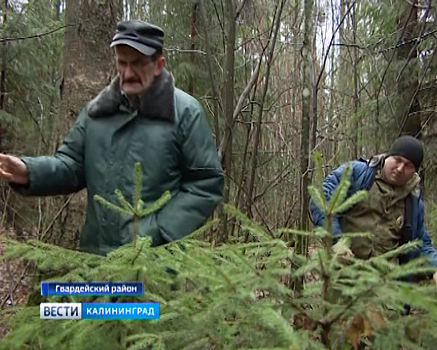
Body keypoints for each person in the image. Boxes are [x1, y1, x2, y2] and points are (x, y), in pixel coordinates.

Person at [0, 20, 224, 256]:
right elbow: (72, 166)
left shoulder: (185, 113)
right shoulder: (97, 112)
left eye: (137, 64)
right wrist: (28, 172)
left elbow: (206, 183)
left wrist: (157, 232)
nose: (127, 73)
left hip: (155, 267)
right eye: (122, 63)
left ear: (158, 65)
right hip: (96, 259)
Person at [309, 135, 437, 281]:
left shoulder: (413, 202)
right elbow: (322, 197)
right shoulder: (358, 174)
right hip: (344, 275)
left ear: (415, 171)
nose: (400, 168)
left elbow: (421, 242)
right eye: (398, 160)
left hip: (385, 285)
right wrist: (336, 241)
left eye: (408, 166)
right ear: (388, 156)